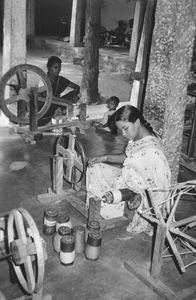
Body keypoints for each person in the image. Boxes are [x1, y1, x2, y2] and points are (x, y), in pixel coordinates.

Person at [87, 105, 171, 235]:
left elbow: (158, 189)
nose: (124, 134)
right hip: (128, 179)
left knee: (106, 194)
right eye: (122, 130)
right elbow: (128, 157)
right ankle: (105, 205)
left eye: (125, 129)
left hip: (137, 192)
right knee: (95, 168)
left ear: (137, 122)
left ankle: (110, 209)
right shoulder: (136, 139)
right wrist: (104, 158)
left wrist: (139, 196)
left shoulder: (153, 151)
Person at [39, 56, 80, 125]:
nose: (58, 70)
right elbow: (48, 96)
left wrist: (73, 96)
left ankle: (63, 115)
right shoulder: (43, 80)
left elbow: (77, 87)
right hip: (44, 107)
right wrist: (67, 101)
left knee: (73, 96)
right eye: (55, 67)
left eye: (59, 68)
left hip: (56, 103)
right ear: (48, 67)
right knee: (66, 104)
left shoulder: (60, 79)